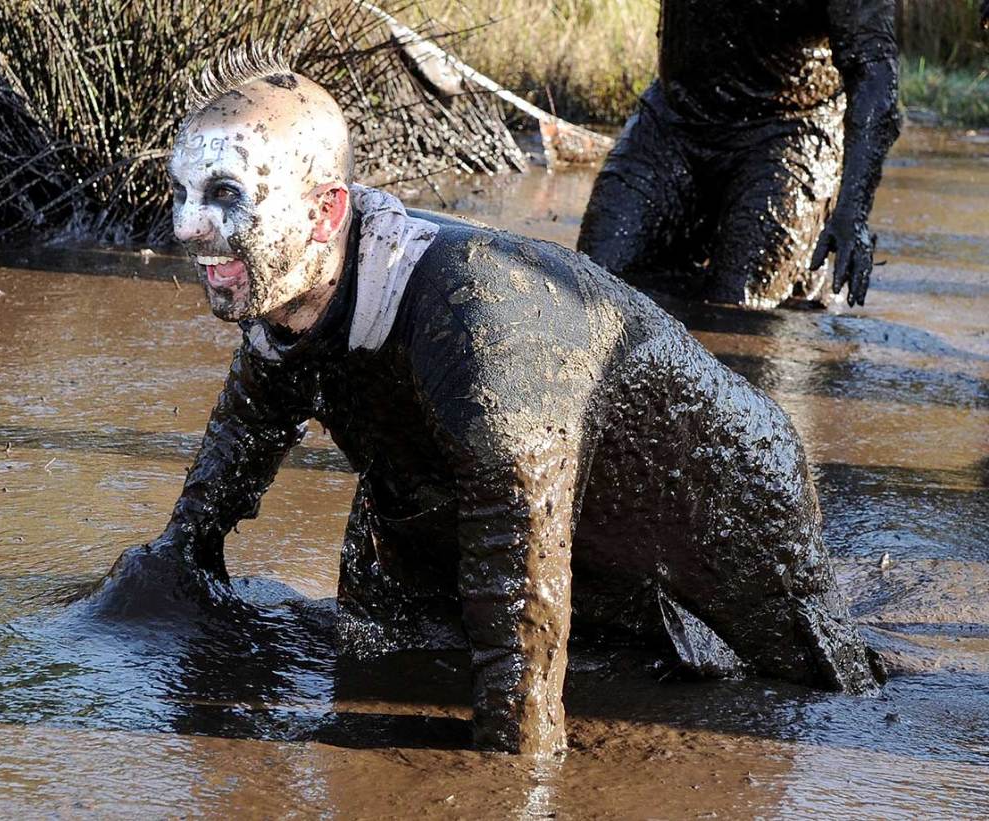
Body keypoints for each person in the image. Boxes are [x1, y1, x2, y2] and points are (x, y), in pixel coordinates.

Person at [87, 62, 880, 755]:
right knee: (375, 615)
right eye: (180, 193)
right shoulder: (290, 300)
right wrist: (156, 582)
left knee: (825, 694)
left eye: (224, 196)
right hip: (472, 489)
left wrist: (515, 766)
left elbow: (521, 560)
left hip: (725, 492)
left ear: (326, 213)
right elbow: (235, 452)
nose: (187, 227)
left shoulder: (476, 310)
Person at [578, 0, 901, 309]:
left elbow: (873, 74)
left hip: (792, 131)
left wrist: (853, 211)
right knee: (590, 280)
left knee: (737, 310)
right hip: (673, 119)